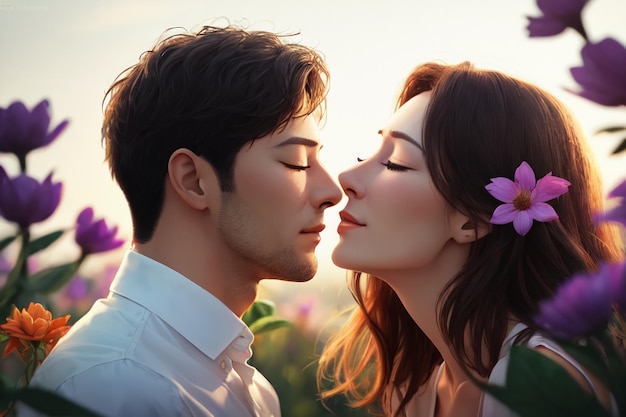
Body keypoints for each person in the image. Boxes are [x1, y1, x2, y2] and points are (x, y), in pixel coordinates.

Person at [21, 24, 342, 417]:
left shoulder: (251, 389)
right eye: (296, 162)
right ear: (193, 180)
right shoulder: (114, 387)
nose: (332, 191)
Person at [317, 61, 623, 417]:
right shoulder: (417, 393)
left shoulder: (540, 385)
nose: (347, 176)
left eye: (396, 163)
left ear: (474, 220)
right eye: (367, 155)